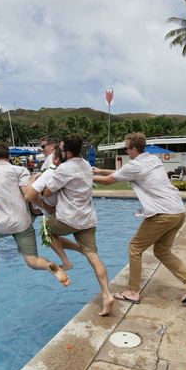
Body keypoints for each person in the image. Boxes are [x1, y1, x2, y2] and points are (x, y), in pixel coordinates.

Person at [93, 132, 186, 305]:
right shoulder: (153, 160)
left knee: (135, 248)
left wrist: (80, 176)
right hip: (178, 211)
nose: (126, 151)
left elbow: (110, 180)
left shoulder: (136, 166)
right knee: (162, 251)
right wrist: (99, 170)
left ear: (134, 148)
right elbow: (123, 172)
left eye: (126, 148)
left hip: (163, 213)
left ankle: (132, 292)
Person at [0, 143, 71, 288]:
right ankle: (49, 265)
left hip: (0, 224)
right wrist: (47, 206)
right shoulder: (20, 170)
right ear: (9, 157)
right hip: (23, 224)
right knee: (32, 261)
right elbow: (29, 194)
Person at [40, 134, 113, 316]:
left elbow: (48, 193)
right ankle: (107, 294)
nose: (61, 152)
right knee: (93, 256)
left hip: (68, 219)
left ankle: (65, 261)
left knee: (45, 229)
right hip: (87, 220)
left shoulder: (64, 169)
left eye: (62, 149)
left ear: (68, 152)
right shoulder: (86, 165)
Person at [26, 146, 83, 271]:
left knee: (47, 234)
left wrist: (32, 180)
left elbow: (29, 195)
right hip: (68, 211)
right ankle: (80, 249)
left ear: (55, 159)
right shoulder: (70, 171)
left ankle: (66, 261)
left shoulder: (50, 173)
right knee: (53, 238)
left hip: (53, 211)